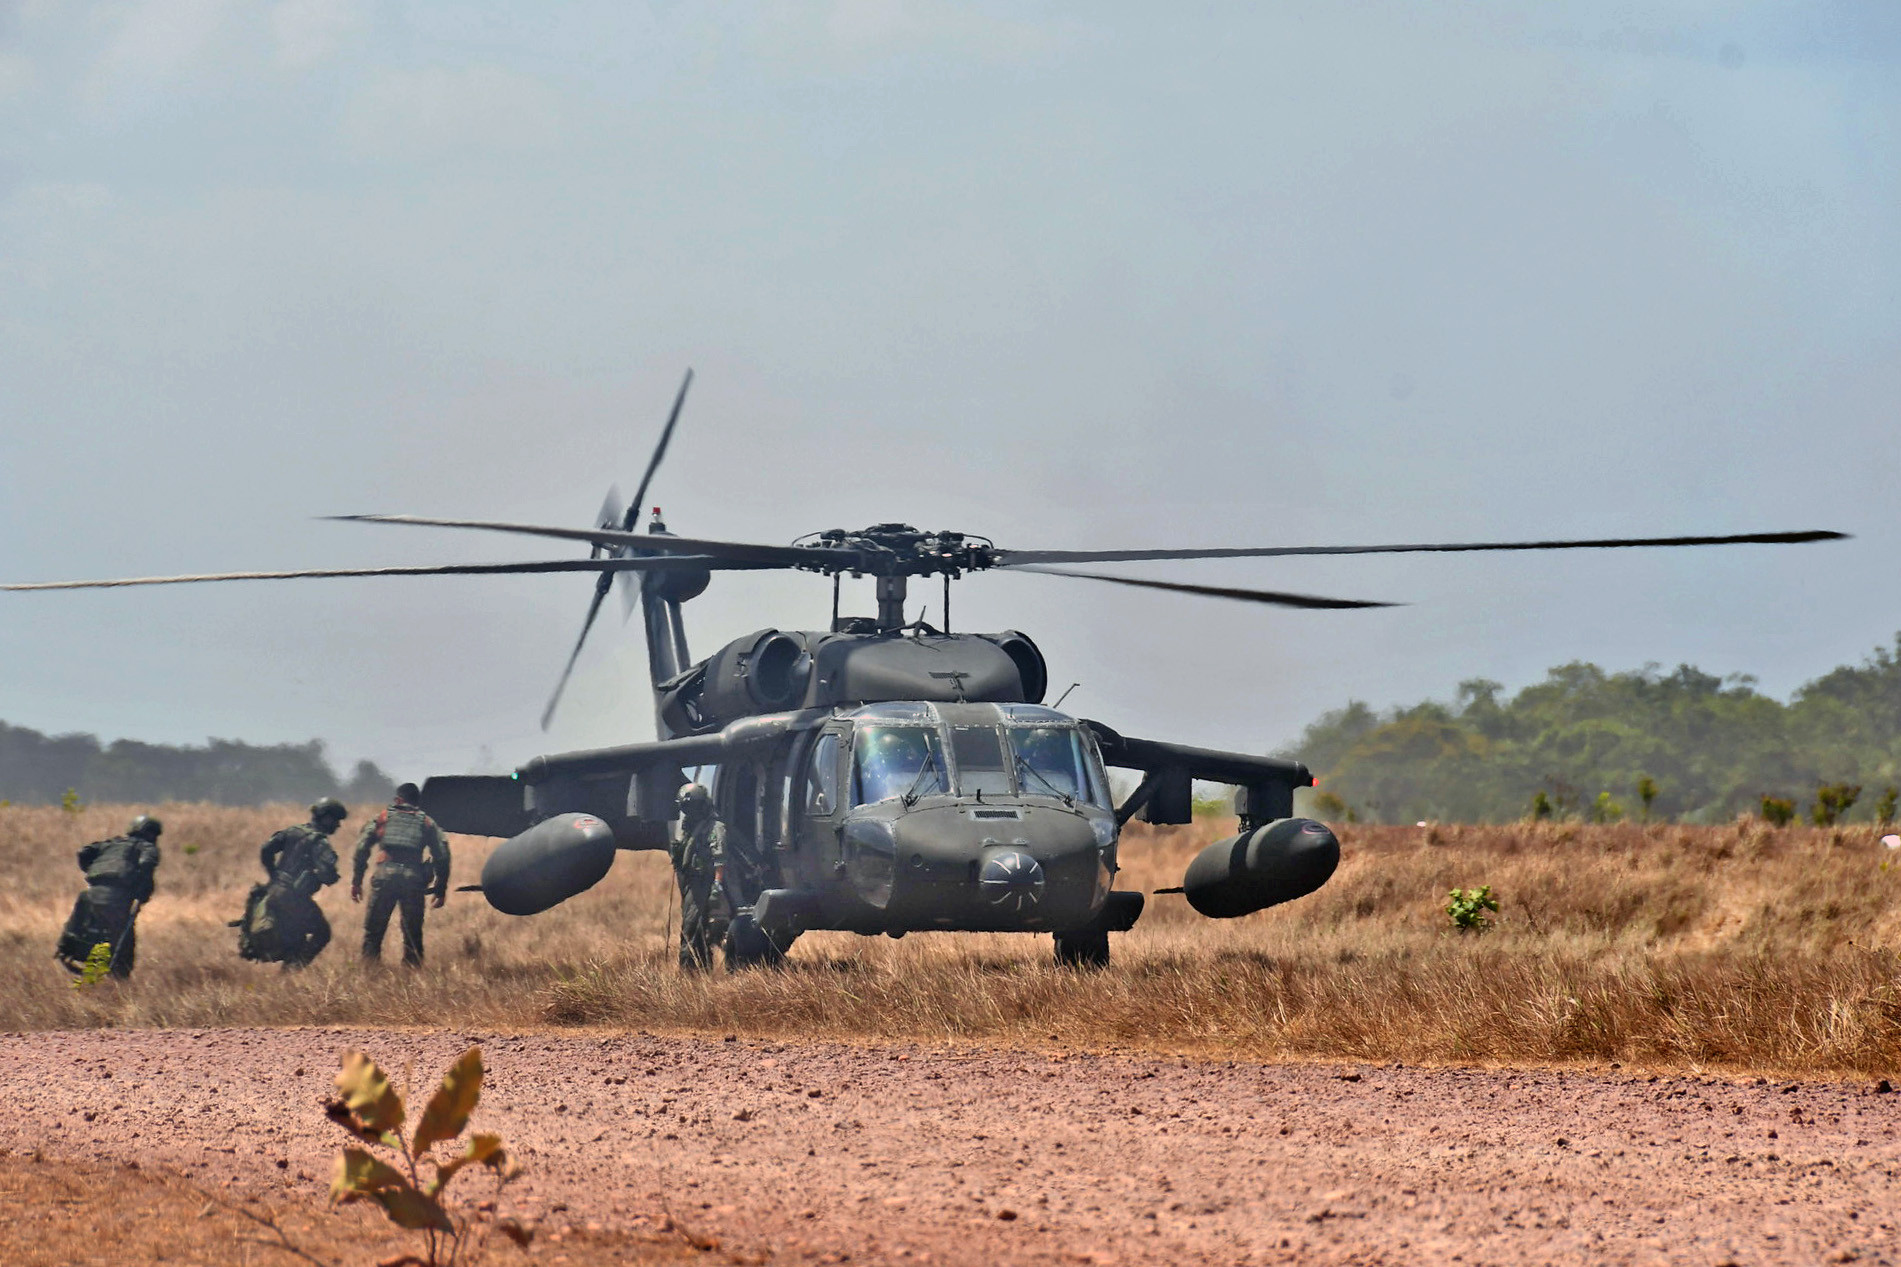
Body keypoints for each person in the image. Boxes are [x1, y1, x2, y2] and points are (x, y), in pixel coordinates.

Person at [234, 798, 346, 967]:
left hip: (273, 891)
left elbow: (266, 849)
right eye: (336, 820)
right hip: (293, 898)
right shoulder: (319, 841)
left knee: (295, 934)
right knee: (323, 933)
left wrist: (273, 874)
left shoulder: (292, 831)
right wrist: (328, 876)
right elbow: (327, 873)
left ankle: (288, 975)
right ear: (326, 818)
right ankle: (292, 971)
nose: (338, 825)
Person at [351, 783, 450, 966]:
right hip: (413, 879)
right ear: (417, 802)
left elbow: (361, 848)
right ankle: (411, 977)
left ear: (398, 800)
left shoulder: (382, 817)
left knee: (374, 931)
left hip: (385, 875)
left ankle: (370, 973)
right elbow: (442, 854)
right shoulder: (426, 822)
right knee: (413, 934)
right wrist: (440, 888)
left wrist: (357, 881)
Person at [55, 814, 162, 979]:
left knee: (80, 929)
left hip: (89, 895)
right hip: (117, 898)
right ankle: (119, 979)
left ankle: (71, 953)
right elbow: (147, 864)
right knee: (124, 941)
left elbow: (83, 852)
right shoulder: (147, 848)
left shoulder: (112, 843)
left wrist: (91, 870)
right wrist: (142, 889)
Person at [669, 782, 727, 971]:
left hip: (702, 882)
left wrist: (717, 886)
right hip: (689, 883)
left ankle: (688, 973)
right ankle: (702, 969)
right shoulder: (689, 827)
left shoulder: (714, 828)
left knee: (690, 928)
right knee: (696, 925)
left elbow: (719, 860)